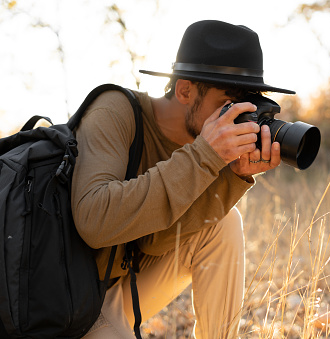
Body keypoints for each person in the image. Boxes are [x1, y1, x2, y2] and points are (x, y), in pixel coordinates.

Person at [71, 20, 295, 338]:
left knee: (224, 222)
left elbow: (154, 241)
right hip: (66, 303)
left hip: (119, 292)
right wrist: (204, 155)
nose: (236, 120)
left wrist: (231, 177)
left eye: (247, 106)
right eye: (227, 104)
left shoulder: (198, 142)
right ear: (185, 90)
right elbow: (95, 222)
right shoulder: (114, 112)